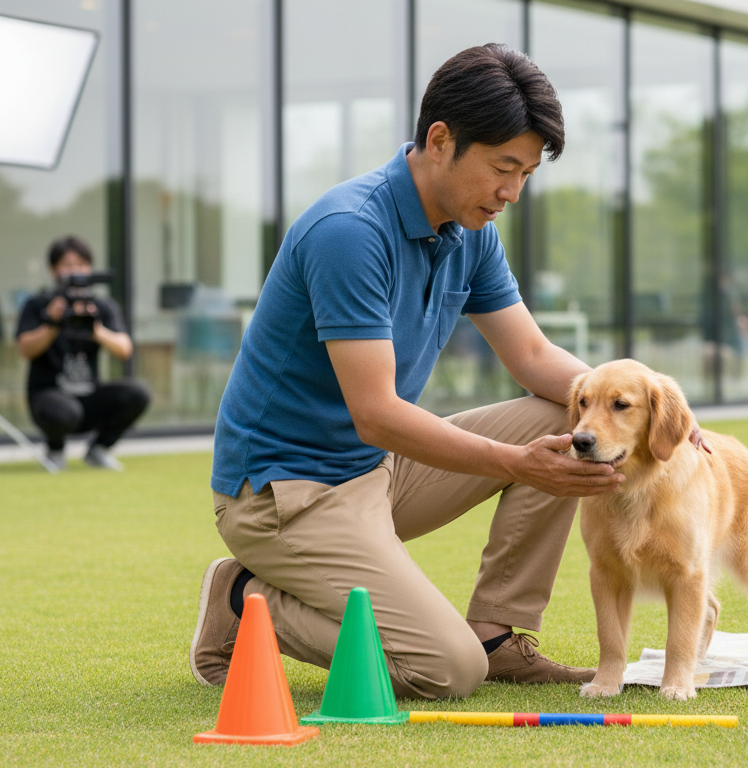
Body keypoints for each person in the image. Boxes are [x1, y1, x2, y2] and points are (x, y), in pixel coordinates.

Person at [190, 44, 707, 699]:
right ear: (440, 140)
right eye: (503, 168)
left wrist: (659, 411)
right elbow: (375, 412)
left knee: (567, 415)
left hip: (375, 469)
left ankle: (498, 633)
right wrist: (515, 464)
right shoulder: (349, 231)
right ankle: (242, 599)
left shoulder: (471, 231)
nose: (512, 193)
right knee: (447, 669)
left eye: (525, 175)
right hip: (285, 494)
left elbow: (535, 359)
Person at [16, 236, 150, 470]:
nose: (75, 271)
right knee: (64, 409)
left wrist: (94, 328)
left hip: (88, 395)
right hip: (50, 397)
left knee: (138, 392)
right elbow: (25, 349)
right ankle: (55, 451)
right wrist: (52, 323)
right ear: (53, 269)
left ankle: (98, 450)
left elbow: (124, 349)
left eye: (81, 264)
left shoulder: (100, 306)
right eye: (67, 265)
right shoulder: (38, 305)